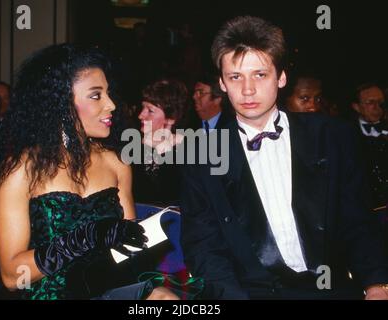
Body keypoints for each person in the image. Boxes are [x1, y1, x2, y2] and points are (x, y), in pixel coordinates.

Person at [180, 15, 388, 300]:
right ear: (223, 83)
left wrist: (377, 285)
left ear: (281, 77)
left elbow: (358, 220)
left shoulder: (332, 136)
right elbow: (204, 248)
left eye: (260, 74)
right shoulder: (201, 155)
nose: (248, 89)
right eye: (236, 77)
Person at [0, 44, 178, 300]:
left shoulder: (116, 163)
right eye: (96, 95)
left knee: (165, 298)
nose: (111, 104)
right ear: (62, 103)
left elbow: (129, 255)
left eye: (108, 93)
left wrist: (149, 284)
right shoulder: (20, 172)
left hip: (106, 289)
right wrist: (86, 237)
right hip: (46, 295)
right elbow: (13, 277)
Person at [133, 78, 188, 205]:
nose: (141, 115)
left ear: (171, 118)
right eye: (143, 108)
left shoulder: (188, 151)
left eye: (150, 111)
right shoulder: (132, 148)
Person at [351, 83, 388, 211]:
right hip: (363, 206)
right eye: (371, 102)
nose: (377, 108)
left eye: (381, 102)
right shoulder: (347, 133)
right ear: (356, 107)